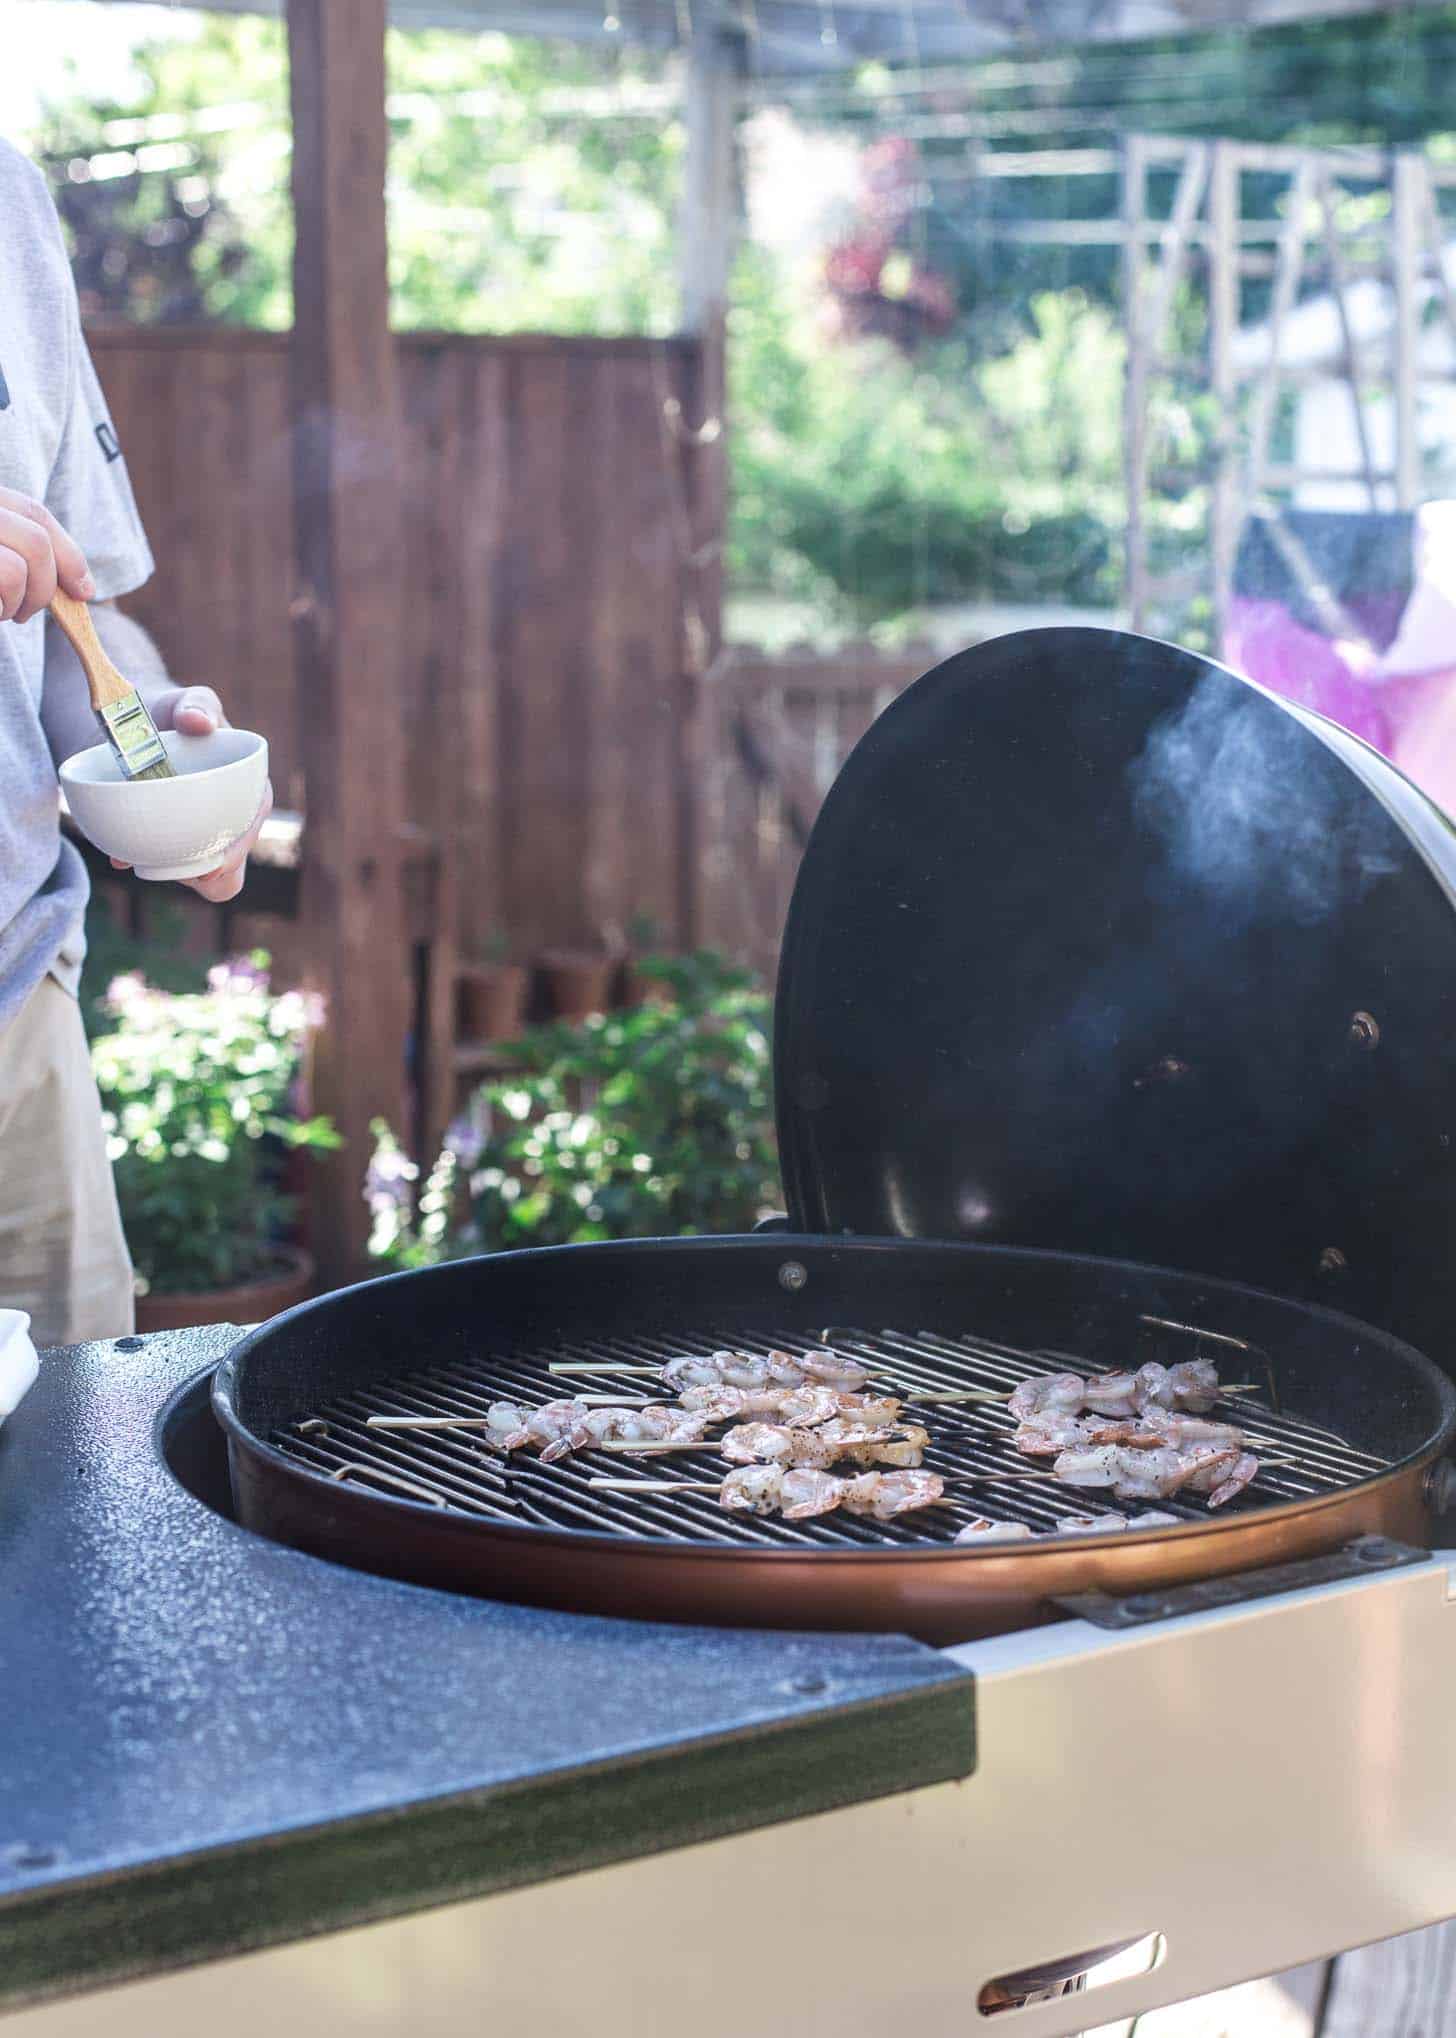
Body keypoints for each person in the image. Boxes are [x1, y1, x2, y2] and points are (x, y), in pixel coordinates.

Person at [0, 137, 271, 1347]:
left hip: (16, 1012)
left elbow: (73, 612)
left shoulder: (7, 200)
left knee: (67, 1494)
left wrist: (146, 742)